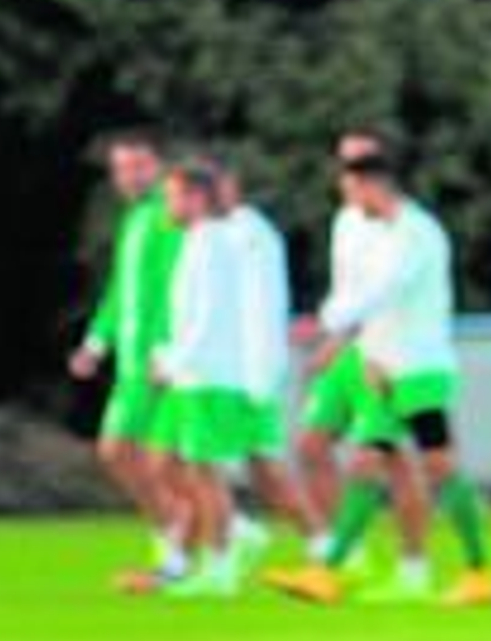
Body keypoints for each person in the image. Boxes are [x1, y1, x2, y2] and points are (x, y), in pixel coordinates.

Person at [266, 150, 491, 608]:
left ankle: (480, 572)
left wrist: (327, 322)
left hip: (420, 371)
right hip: (386, 369)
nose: (352, 205)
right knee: (365, 462)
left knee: (439, 466)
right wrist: (366, 351)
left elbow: (384, 291)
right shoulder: (383, 233)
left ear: (376, 185)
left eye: (354, 193)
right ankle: (328, 572)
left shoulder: (417, 233)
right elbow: (371, 301)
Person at [295, 129, 433, 599]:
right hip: (354, 347)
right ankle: (348, 555)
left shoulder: (407, 228)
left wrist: (337, 327)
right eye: (344, 165)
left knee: (386, 458)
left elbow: (385, 291)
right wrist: (332, 338)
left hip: (389, 351)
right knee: (311, 444)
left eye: (359, 165)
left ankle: (412, 566)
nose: (347, 176)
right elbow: (347, 287)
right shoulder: (346, 221)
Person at [68, 132, 187, 589]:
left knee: (166, 461)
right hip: (132, 363)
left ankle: (188, 550)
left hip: (166, 362)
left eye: (138, 166)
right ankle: (175, 535)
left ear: (156, 165)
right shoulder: (135, 220)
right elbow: (123, 290)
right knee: (118, 452)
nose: (130, 177)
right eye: (121, 169)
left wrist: (171, 349)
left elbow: (182, 287)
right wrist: (96, 342)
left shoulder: (171, 215)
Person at [215, 159, 329, 571]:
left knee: (255, 466)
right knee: (257, 467)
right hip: (231, 369)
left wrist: (255, 372)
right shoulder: (219, 233)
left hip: (247, 372)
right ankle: (239, 539)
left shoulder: (247, 234)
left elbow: (253, 308)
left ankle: (233, 546)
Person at [149, 160, 251, 599]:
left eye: (173, 196)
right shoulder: (197, 243)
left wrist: (174, 361)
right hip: (195, 375)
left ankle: (221, 567)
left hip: (207, 375)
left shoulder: (211, 245)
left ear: (196, 198)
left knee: (206, 473)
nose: (167, 205)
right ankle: (219, 556)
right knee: (189, 467)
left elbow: (206, 318)